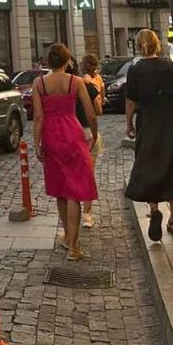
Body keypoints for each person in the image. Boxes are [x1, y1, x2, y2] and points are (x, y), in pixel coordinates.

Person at [124, 28, 173, 241]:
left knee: (149, 165)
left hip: (148, 120)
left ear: (139, 46)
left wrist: (129, 123)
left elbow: (130, 101)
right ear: (158, 44)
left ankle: (154, 209)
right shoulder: (169, 66)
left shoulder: (135, 69)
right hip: (171, 120)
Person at [32, 43, 99, 261]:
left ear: (48, 61)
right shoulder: (75, 81)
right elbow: (90, 113)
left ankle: (69, 237)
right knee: (75, 192)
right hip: (72, 133)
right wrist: (95, 135)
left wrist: (36, 143)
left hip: (51, 136)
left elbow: (39, 117)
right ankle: (74, 246)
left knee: (61, 189)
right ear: (68, 60)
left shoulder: (39, 84)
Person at [71, 55, 104, 229]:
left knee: (72, 174)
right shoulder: (88, 86)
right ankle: (87, 215)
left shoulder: (58, 87)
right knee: (88, 174)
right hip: (86, 132)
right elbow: (97, 112)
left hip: (67, 133)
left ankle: (71, 212)